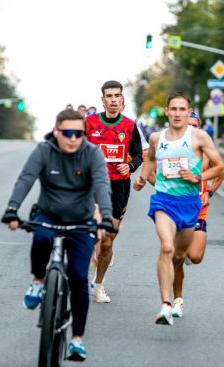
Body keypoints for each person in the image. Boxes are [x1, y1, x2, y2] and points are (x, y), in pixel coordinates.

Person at [1, 109, 114, 361]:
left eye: (79, 133)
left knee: (77, 277)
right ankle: (39, 281)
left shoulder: (92, 153)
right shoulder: (44, 151)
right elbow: (26, 178)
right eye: (67, 133)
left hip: (82, 221)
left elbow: (101, 185)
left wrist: (105, 217)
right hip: (48, 215)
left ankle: (77, 339)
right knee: (40, 238)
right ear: (56, 131)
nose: (73, 138)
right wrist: (12, 208)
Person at [133, 92, 224, 325]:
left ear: (188, 112)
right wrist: (143, 178)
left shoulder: (200, 138)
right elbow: (151, 159)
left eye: (182, 109)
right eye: (173, 109)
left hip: (190, 203)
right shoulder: (156, 137)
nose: (177, 113)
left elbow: (220, 168)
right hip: (164, 200)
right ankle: (165, 304)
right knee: (166, 246)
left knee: (181, 255)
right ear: (166, 111)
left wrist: (199, 177)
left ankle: (177, 294)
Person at [84, 80, 143, 303]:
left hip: (119, 186)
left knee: (108, 241)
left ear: (122, 100)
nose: (113, 100)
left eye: (117, 96)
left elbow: (139, 155)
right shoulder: (90, 123)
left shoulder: (129, 126)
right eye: (109, 96)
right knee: (92, 232)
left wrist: (131, 166)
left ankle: (98, 284)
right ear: (103, 100)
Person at [170, 111, 224, 318]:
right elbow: (153, 172)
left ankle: (185, 256)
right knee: (178, 257)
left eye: (195, 125)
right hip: (175, 208)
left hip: (198, 209)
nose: (192, 128)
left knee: (196, 256)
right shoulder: (172, 148)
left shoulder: (206, 151)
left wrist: (209, 192)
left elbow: (221, 172)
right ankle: (178, 300)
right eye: (188, 124)